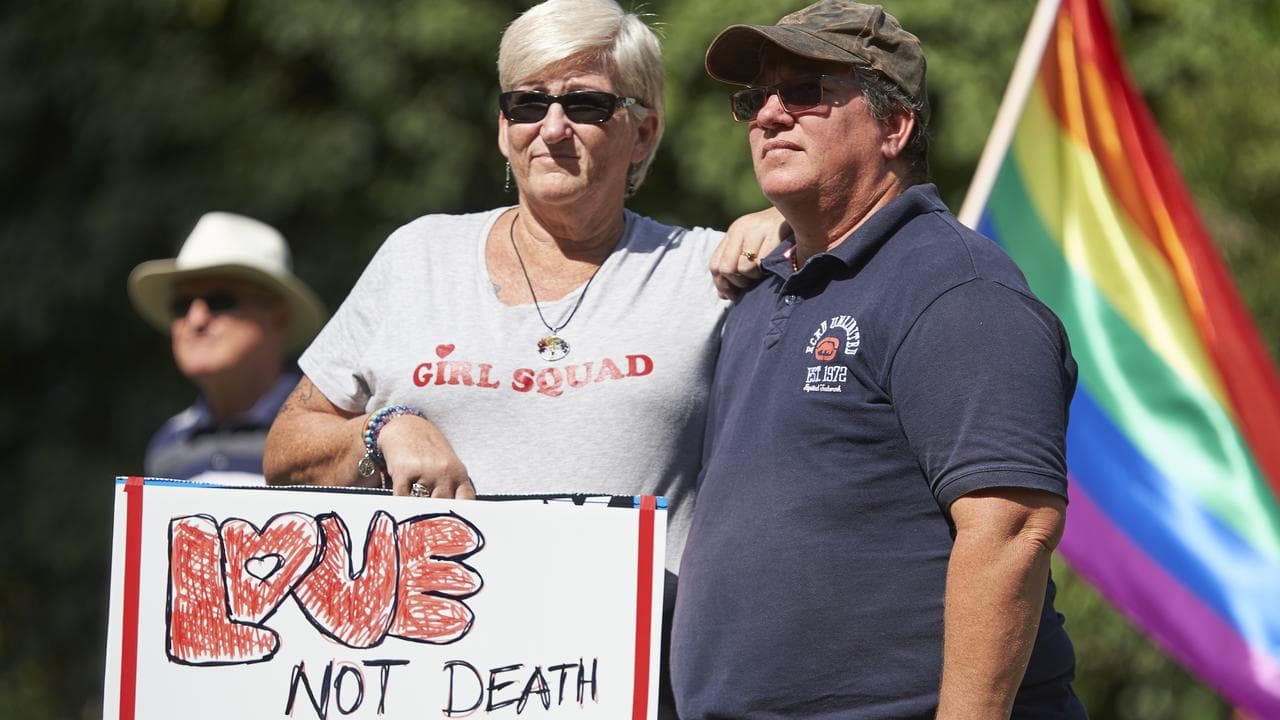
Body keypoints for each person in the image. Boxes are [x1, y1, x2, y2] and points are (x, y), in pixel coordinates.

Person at [262, 1, 780, 714]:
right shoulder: (419, 255)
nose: (552, 128)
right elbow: (286, 451)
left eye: (586, 104)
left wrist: (786, 218)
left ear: (643, 132)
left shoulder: (707, 270)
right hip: (428, 689)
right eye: (527, 103)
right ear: (504, 126)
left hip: (630, 690)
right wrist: (382, 431)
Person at [670, 2, 1087, 719]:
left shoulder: (957, 289)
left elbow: (1012, 531)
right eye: (754, 98)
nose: (769, 114)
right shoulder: (762, 289)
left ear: (894, 127)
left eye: (804, 91)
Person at [128, 211, 326, 485]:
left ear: (278, 317)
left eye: (220, 300)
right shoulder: (168, 443)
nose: (196, 319)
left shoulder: (326, 428)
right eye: (181, 305)